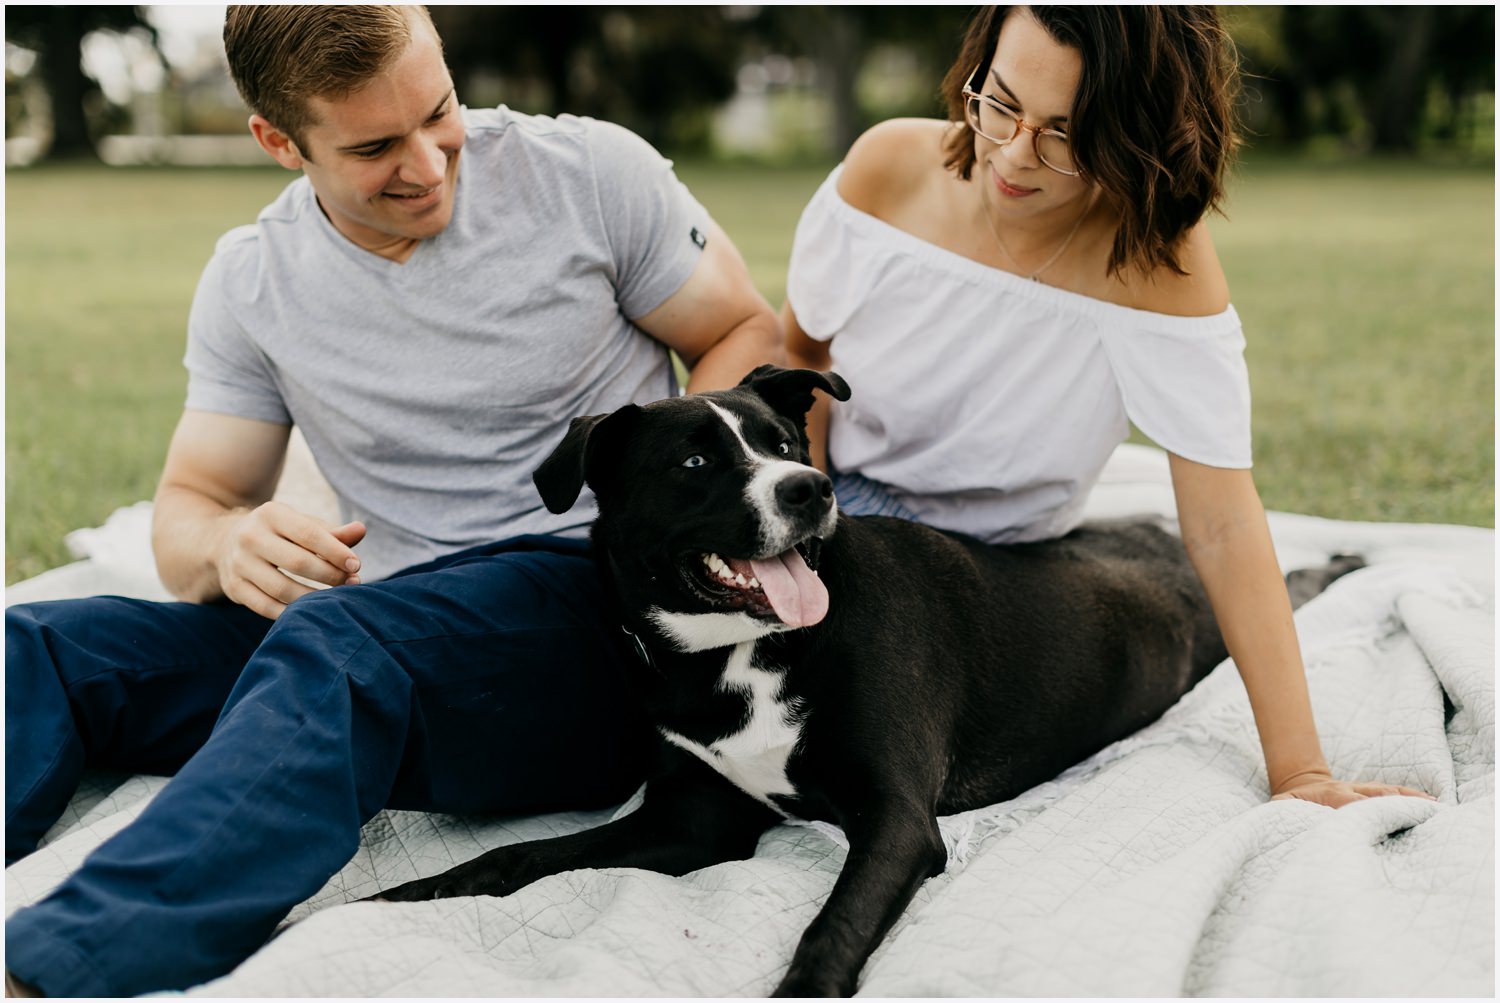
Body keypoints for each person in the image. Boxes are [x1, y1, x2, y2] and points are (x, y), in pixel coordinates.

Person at [4, 6, 780, 997]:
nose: (427, 162)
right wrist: (233, 542)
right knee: (44, 649)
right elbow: (191, 507)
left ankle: (52, 969)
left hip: (594, 619)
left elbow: (747, 331)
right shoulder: (254, 280)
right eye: (375, 145)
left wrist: (662, 505)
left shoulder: (590, 175)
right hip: (390, 628)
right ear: (279, 142)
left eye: (440, 111)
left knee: (338, 651)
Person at [782, 6, 1433, 809]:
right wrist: (799, 535)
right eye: (1002, 104)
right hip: (843, 512)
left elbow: (1224, 521)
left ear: (1137, 136)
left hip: (998, 569)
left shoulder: (1156, 259)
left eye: (1066, 133)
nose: (1016, 155)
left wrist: (1301, 773)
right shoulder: (887, 168)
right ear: (979, 66)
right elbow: (800, 357)